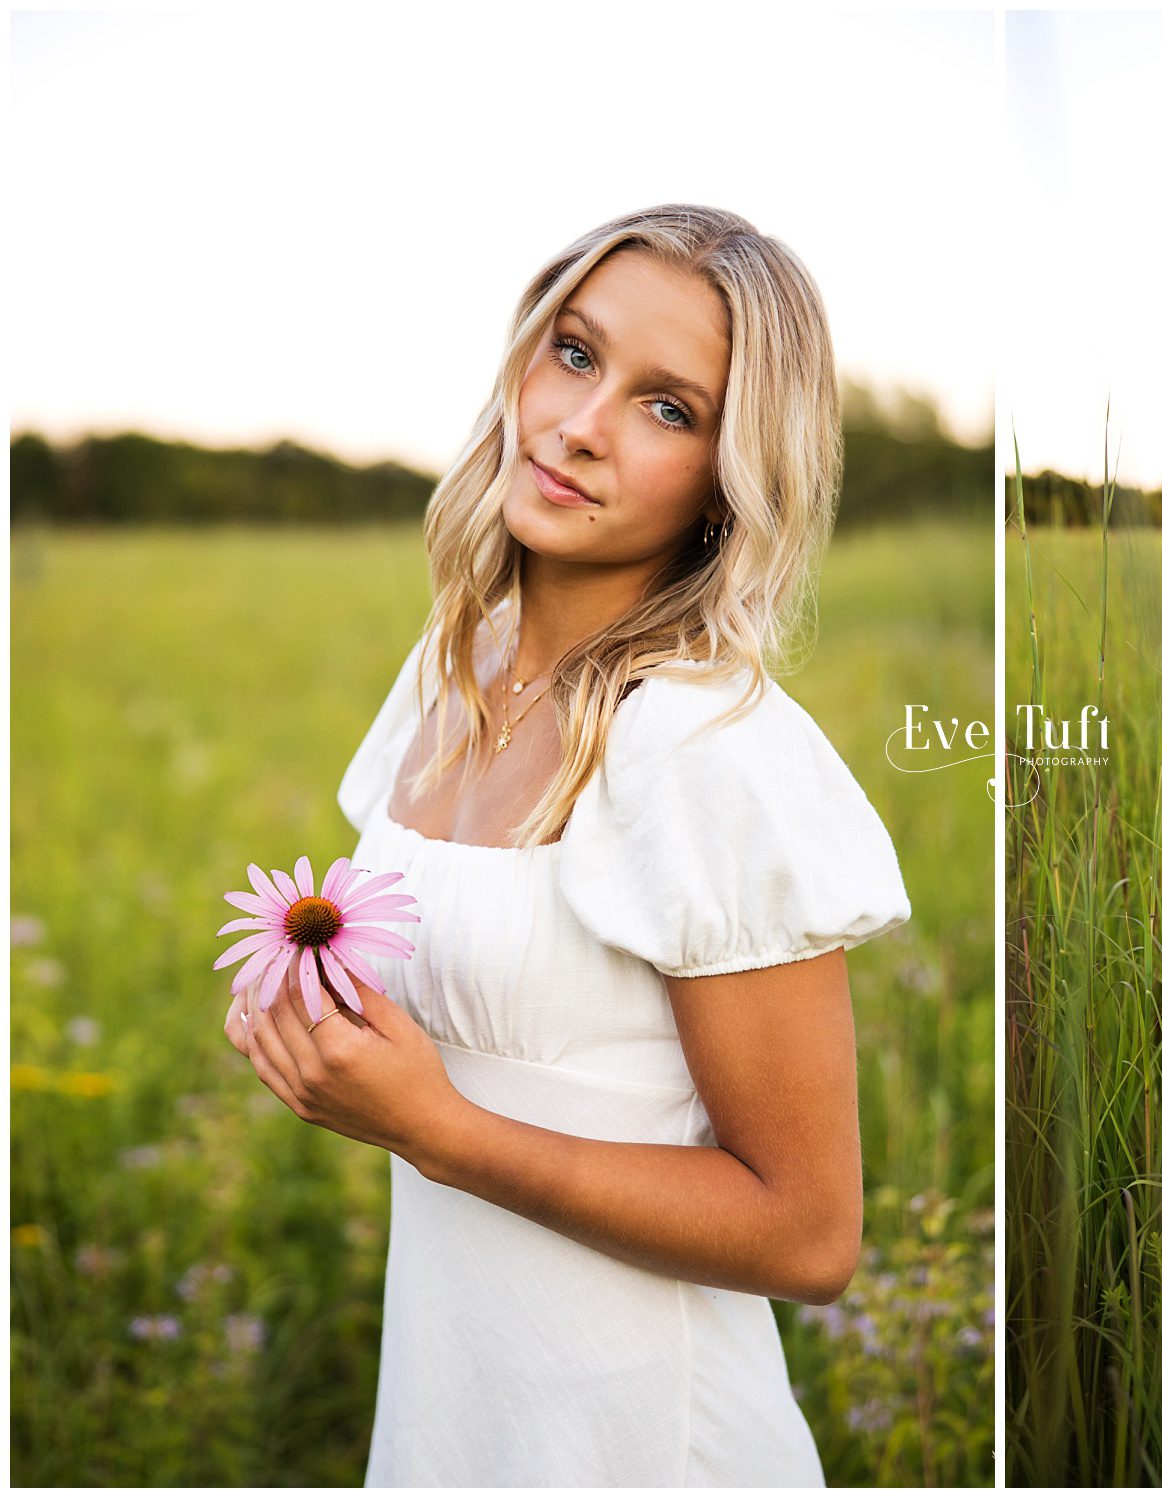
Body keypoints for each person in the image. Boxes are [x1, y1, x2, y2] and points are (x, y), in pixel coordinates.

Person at [221, 205, 911, 1486]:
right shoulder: (453, 673)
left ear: (730, 475)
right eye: (578, 355)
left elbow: (810, 1237)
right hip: (459, 1408)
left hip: (641, 1435)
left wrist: (442, 1130)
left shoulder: (704, 748)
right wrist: (317, 1020)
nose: (582, 425)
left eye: (669, 408)